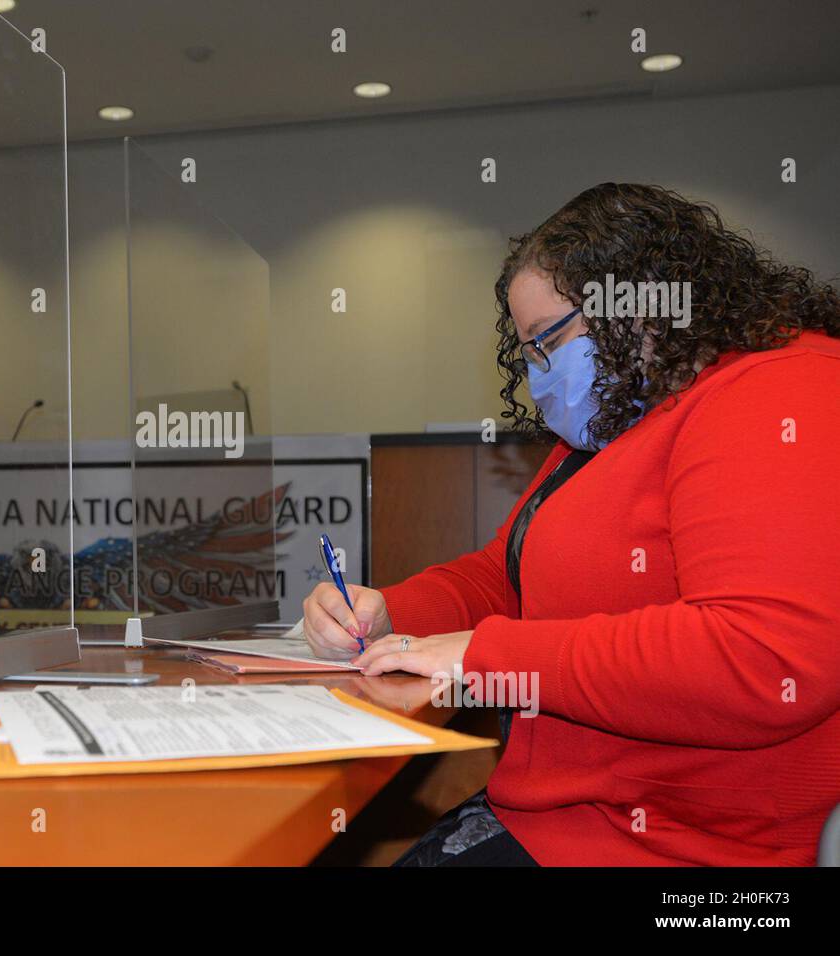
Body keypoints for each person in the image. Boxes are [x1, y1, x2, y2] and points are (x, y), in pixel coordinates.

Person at [303, 183, 840, 866]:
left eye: (549, 341)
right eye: (529, 354)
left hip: (687, 850)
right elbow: (507, 576)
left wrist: (488, 656)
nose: (540, 377)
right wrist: (389, 615)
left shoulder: (782, 393)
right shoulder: (616, 425)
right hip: (570, 820)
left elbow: (763, 660)